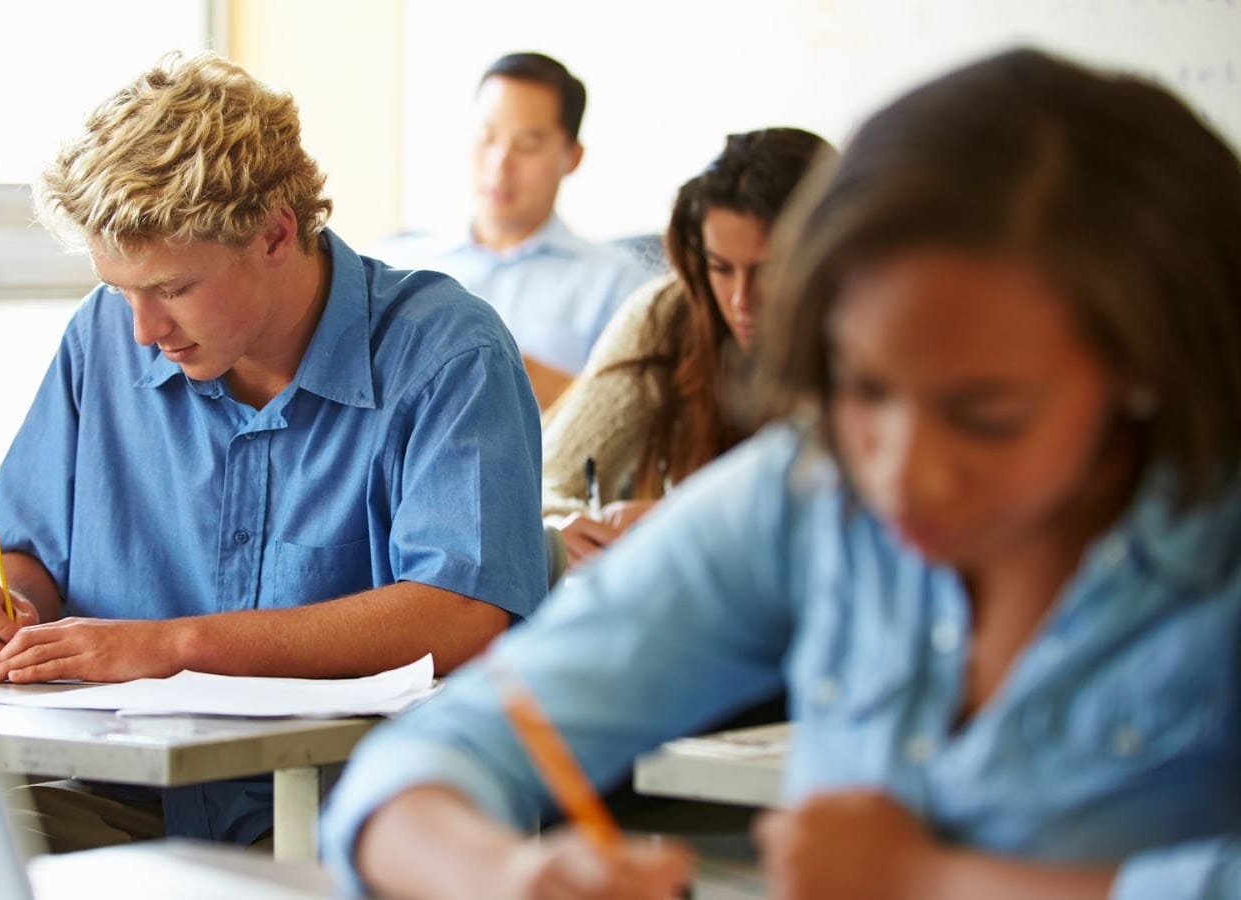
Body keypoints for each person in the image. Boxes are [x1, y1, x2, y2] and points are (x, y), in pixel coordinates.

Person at [322, 47, 1241, 900]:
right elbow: (422, 764)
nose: (902, 473)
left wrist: (935, 880)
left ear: (1148, 370)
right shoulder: (806, 495)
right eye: (863, 390)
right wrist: (509, 876)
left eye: (985, 415)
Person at [0, 51, 546, 847]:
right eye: (121, 289)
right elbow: (25, 552)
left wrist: (173, 648)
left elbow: (462, 614)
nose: (142, 330)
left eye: (172, 289)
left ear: (275, 233)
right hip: (126, 800)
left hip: (353, 815)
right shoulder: (102, 340)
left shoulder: (447, 356)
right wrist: (6, 603)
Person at [544, 128, 832, 575]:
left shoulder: (873, 344)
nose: (741, 299)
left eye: (769, 271)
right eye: (721, 268)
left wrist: (682, 523)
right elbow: (546, 481)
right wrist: (568, 526)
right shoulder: (666, 315)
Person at [375, 52, 651, 408]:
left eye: (527, 144)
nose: (499, 164)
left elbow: (640, 421)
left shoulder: (619, 285)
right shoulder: (393, 264)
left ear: (572, 156)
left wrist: (512, 371)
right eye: (486, 137)